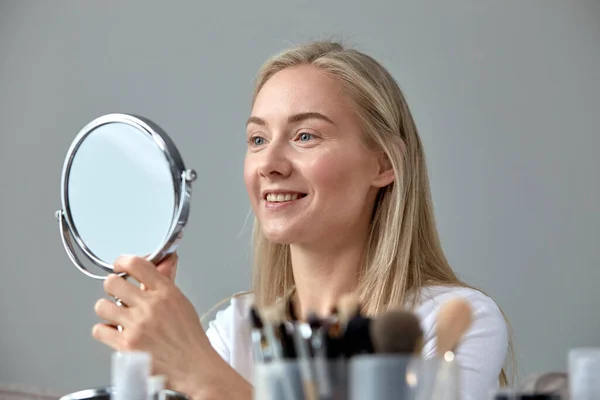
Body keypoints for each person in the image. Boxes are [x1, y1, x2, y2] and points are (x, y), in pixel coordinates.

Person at [92, 40, 512, 400]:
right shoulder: (236, 330)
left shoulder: (455, 323)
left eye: (305, 136)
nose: (269, 164)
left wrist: (201, 373)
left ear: (384, 163)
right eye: (257, 139)